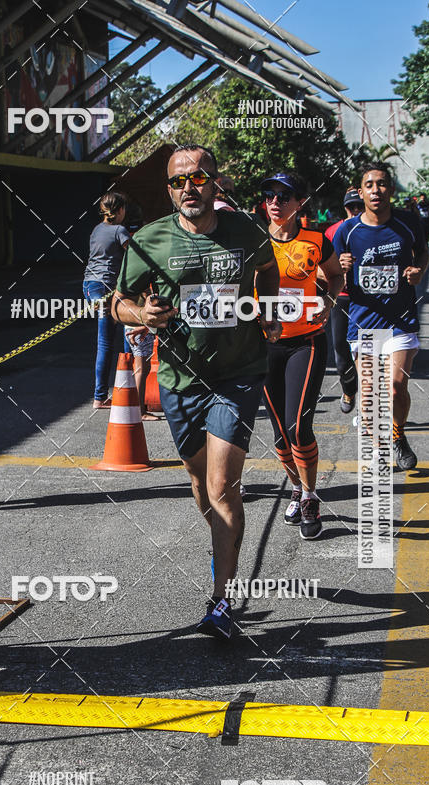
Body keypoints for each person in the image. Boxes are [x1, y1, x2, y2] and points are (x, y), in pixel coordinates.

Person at [112, 144, 280, 639]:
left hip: (239, 373)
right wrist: (141, 315)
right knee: (200, 488)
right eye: (179, 180)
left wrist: (267, 306)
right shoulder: (150, 241)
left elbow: (268, 271)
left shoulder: (244, 231)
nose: (189, 187)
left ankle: (221, 602)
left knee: (222, 487)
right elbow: (117, 302)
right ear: (169, 190)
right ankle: (221, 548)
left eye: (199, 177)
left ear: (214, 182)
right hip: (181, 382)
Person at [260, 171, 343, 539]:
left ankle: (310, 496)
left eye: (284, 195)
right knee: (279, 434)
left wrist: (327, 302)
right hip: (263, 345)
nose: (275, 201)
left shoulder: (315, 240)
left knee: (297, 427)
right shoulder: (253, 241)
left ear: (300, 203)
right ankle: (295, 485)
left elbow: (335, 276)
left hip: (306, 342)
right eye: (270, 195)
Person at [332, 161, 429, 470]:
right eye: (370, 185)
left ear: (391, 189)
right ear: (361, 192)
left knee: (397, 386)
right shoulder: (348, 230)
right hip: (364, 322)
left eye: (382, 183)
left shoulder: (407, 222)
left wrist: (418, 270)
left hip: (400, 320)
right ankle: (379, 449)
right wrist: (341, 267)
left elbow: (422, 253)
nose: (376, 190)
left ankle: (397, 434)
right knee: (371, 391)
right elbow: (328, 273)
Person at [83, 192, 131, 409]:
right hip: (105, 288)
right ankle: (103, 396)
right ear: (119, 210)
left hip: (89, 285)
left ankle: (101, 395)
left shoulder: (96, 230)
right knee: (128, 330)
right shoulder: (119, 230)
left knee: (107, 338)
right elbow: (135, 255)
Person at [325, 188, 363, 413]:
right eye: (352, 207)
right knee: (341, 348)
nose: (356, 211)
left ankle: (368, 409)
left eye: (360, 206)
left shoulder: (373, 229)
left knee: (368, 351)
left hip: (368, 300)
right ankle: (349, 389)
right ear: (345, 208)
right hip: (343, 298)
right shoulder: (333, 231)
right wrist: (338, 269)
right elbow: (320, 268)